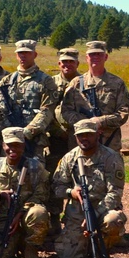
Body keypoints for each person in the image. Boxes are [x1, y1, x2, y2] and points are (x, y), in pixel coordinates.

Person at [52, 121, 127, 258]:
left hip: (104, 209)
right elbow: (57, 187)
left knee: (113, 221)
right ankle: (84, 245)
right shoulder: (69, 158)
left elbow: (115, 193)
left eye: (89, 135)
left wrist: (95, 214)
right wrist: (71, 192)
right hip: (77, 212)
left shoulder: (111, 157)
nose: (85, 138)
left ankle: (103, 248)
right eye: (81, 135)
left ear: (97, 135)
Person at [0, 128, 50, 258]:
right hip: (4, 218)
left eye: (17, 145)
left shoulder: (36, 167)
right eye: (9, 145)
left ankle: (31, 247)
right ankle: (17, 240)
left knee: (39, 213)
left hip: (27, 215)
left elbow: (42, 194)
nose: (13, 149)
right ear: (3, 145)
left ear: (24, 145)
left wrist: (21, 213)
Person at [0, 40, 59, 162]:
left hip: (34, 140)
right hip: (9, 140)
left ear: (34, 55)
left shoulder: (45, 81)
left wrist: (27, 132)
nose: (23, 56)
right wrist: (5, 130)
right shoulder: (6, 82)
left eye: (27, 53)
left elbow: (47, 111)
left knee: (35, 174)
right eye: (20, 53)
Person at [60, 40, 129, 154]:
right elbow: (66, 111)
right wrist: (87, 123)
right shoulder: (76, 83)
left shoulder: (117, 83)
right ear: (87, 57)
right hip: (81, 143)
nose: (95, 57)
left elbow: (123, 113)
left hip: (109, 142)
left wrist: (100, 121)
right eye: (92, 54)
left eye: (99, 54)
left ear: (106, 57)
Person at [46, 48, 81, 230]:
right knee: (56, 176)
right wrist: (56, 130)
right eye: (64, 62)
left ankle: (75, 217)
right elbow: (45, 110)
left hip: (78, 138)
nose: (67, 65)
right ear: (59, 64)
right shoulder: (50, 83)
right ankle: (53, 217)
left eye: (71, 62)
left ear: (77, 64)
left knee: (79, 176)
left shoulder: (83, 82)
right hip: (56, 137)